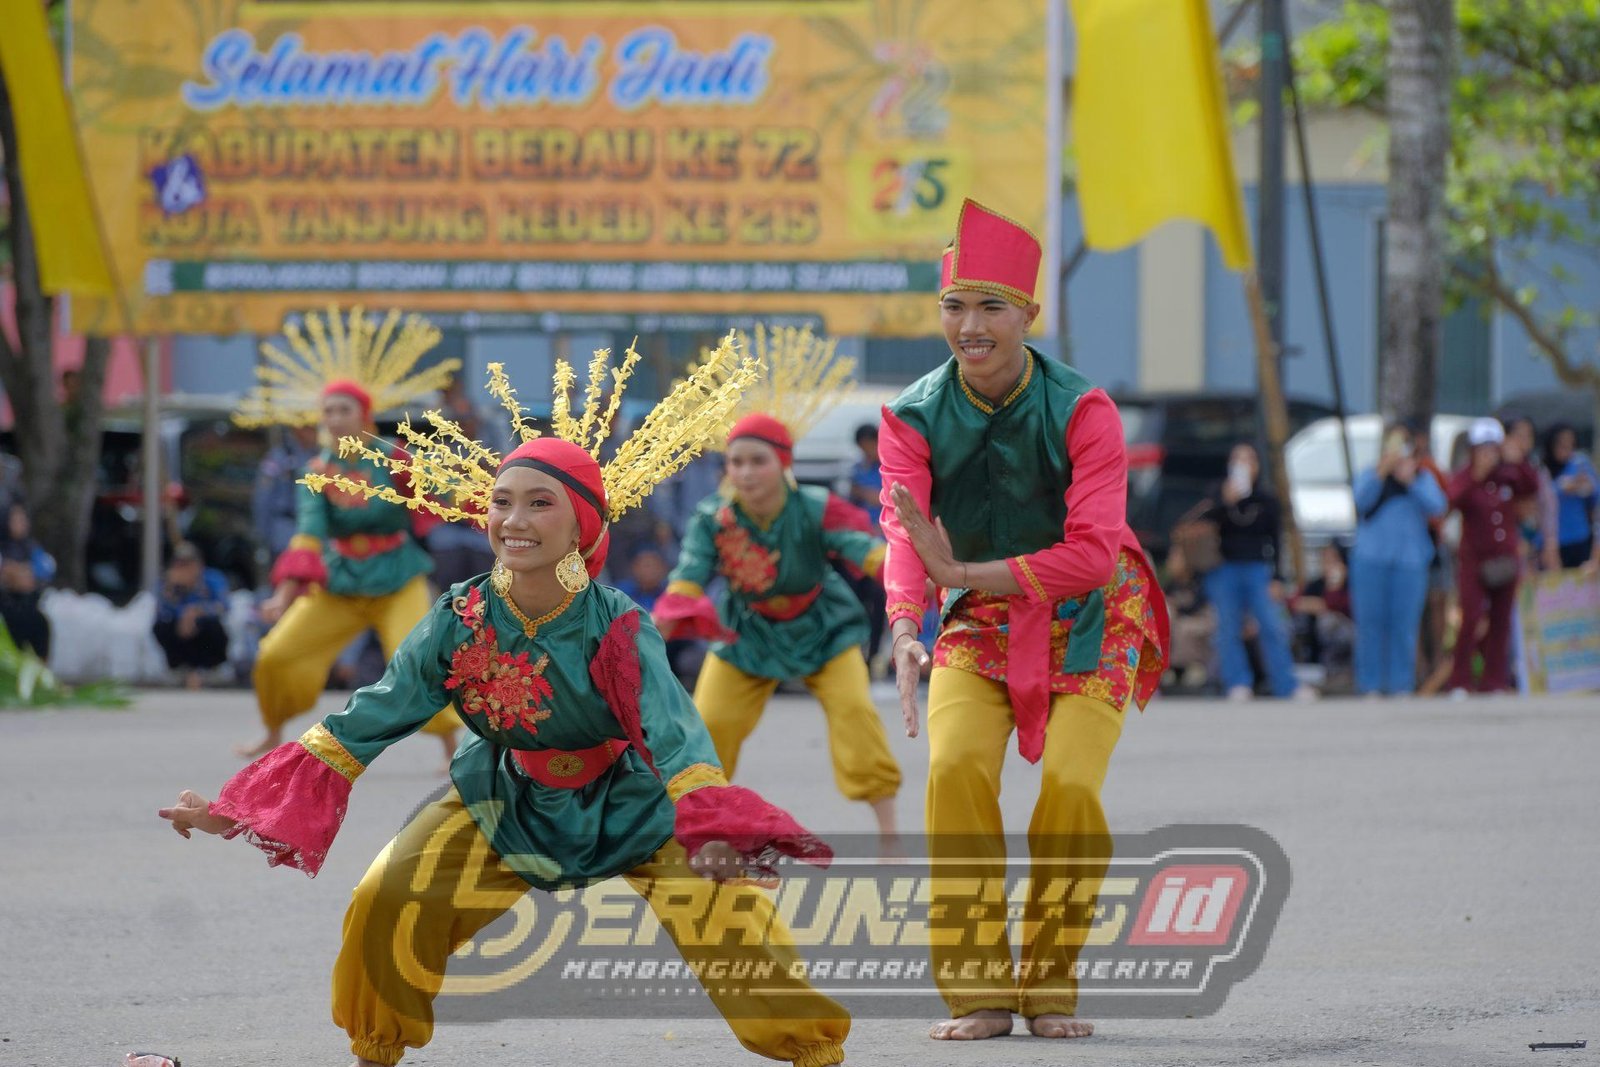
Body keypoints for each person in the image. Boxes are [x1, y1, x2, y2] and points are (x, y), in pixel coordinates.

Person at [158, 345, 850, 1067]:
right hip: (506, 791)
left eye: (539, 502)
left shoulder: (615, 626)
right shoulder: (458, 618)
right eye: (501, 500)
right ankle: (375, 1049)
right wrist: (238, 808)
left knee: (733, 912)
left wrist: (716, 830)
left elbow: (675, 737)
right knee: (387, 894)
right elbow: (366, 717)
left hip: (629, 797)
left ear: (582, 522)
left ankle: (810, 1049)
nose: (512, 519)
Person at [879, 198, 1168, 1041]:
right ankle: (978, 990)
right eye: (954, 305)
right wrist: (904, 623)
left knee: (1072, 787)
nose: (970, 326)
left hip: (1092, 617)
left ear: (1028, 316)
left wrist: (959, 571)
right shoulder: (911, 414)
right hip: (979, 620)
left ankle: (1050, 983)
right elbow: (906, 528)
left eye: (990, 306)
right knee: (956, 768)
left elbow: (1092, 553)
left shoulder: (1086, 410)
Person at [654, 330, 902, 854]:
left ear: (783, 464)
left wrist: (903, 568)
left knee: (855, 714)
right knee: (710, 726)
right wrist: (661, 623)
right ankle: (700, 839)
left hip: (823, 626)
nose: (745, 472)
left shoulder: (814, 507)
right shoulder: (714, 519)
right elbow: (690, 573)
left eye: (757, 461)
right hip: (746, 631)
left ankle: (890, 836)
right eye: (735, 462)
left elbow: (862, 548)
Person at [232, 307, 460, 765]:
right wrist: (284, 595)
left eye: (343, 409)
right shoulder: (315, 471)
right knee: (276, 653)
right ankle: (273, 729)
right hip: (338, 581)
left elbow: (439, 500)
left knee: (417, 658)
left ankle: (451, 744)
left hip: (398, 576)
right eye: (327, 411)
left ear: (364, 415)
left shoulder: (395, 458)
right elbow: (309, 536)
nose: (333, 418)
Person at [1200, 443, 1315, 701]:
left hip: (1257, 568)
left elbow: (1275, 540)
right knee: (1227, 627)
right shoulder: (1218, 493)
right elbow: (1207, 525)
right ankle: (1237, 682)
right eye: (1237, 459)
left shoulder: (1266, 500)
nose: (1243, 465)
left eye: (1249, 459)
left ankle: (1285, 683)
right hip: (1224, 568)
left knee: (1272, 625)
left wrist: (1277, 577)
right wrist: (1225, 502)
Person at [1349, 425, 1447, 695]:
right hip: (1371, 560)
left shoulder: (1422, 478)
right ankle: (1370, 685)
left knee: (1403, 625)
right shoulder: (1370, 475)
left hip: (1410, 562)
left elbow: (1438, 506)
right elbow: (1360, 501)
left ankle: (1400, 684)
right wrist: (1382, 473)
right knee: (1370, 625)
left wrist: (1411, 480)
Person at [1447, 417, 1539, 695]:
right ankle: (1460, 680)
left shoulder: (1508, 474)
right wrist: (1477, 474)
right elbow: (1451, 499)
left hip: (1505, 559)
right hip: (1474, 561)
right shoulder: (1466, 476)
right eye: (1482, 448)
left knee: (1501, 621)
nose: (1489, 454)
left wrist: (1519, 460)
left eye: (1493, 447)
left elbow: (1532, 486)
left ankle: (1494, 680)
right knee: (1471, 619)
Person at [153, 541, 231, 688]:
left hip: (204, 628)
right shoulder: (167, 583)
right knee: (162, 626)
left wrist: (197, 611)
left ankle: (210, 669)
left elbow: (224, 606)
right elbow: (161, 611)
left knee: (213, 627)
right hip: (181, 631)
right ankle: (179, 668)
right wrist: (170, 591)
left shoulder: (213, 579)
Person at [1540, 422, 1599, 571]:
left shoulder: (1580, 463)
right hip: (1551, 542)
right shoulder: (1542, 469)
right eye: (1561, 444)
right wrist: (1562, 487)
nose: (1567, 448)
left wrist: (1585, 486)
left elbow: (1595, 493)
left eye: (1570, 443)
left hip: (1579, 538)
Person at [0, 502, 54, 658]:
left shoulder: (31, 546)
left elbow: (45, 569)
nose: (21, 524)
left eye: (22, 519)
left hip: (28, 607)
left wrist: (23, 572)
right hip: (6, 608)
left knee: (39, 624)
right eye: (15, 520)